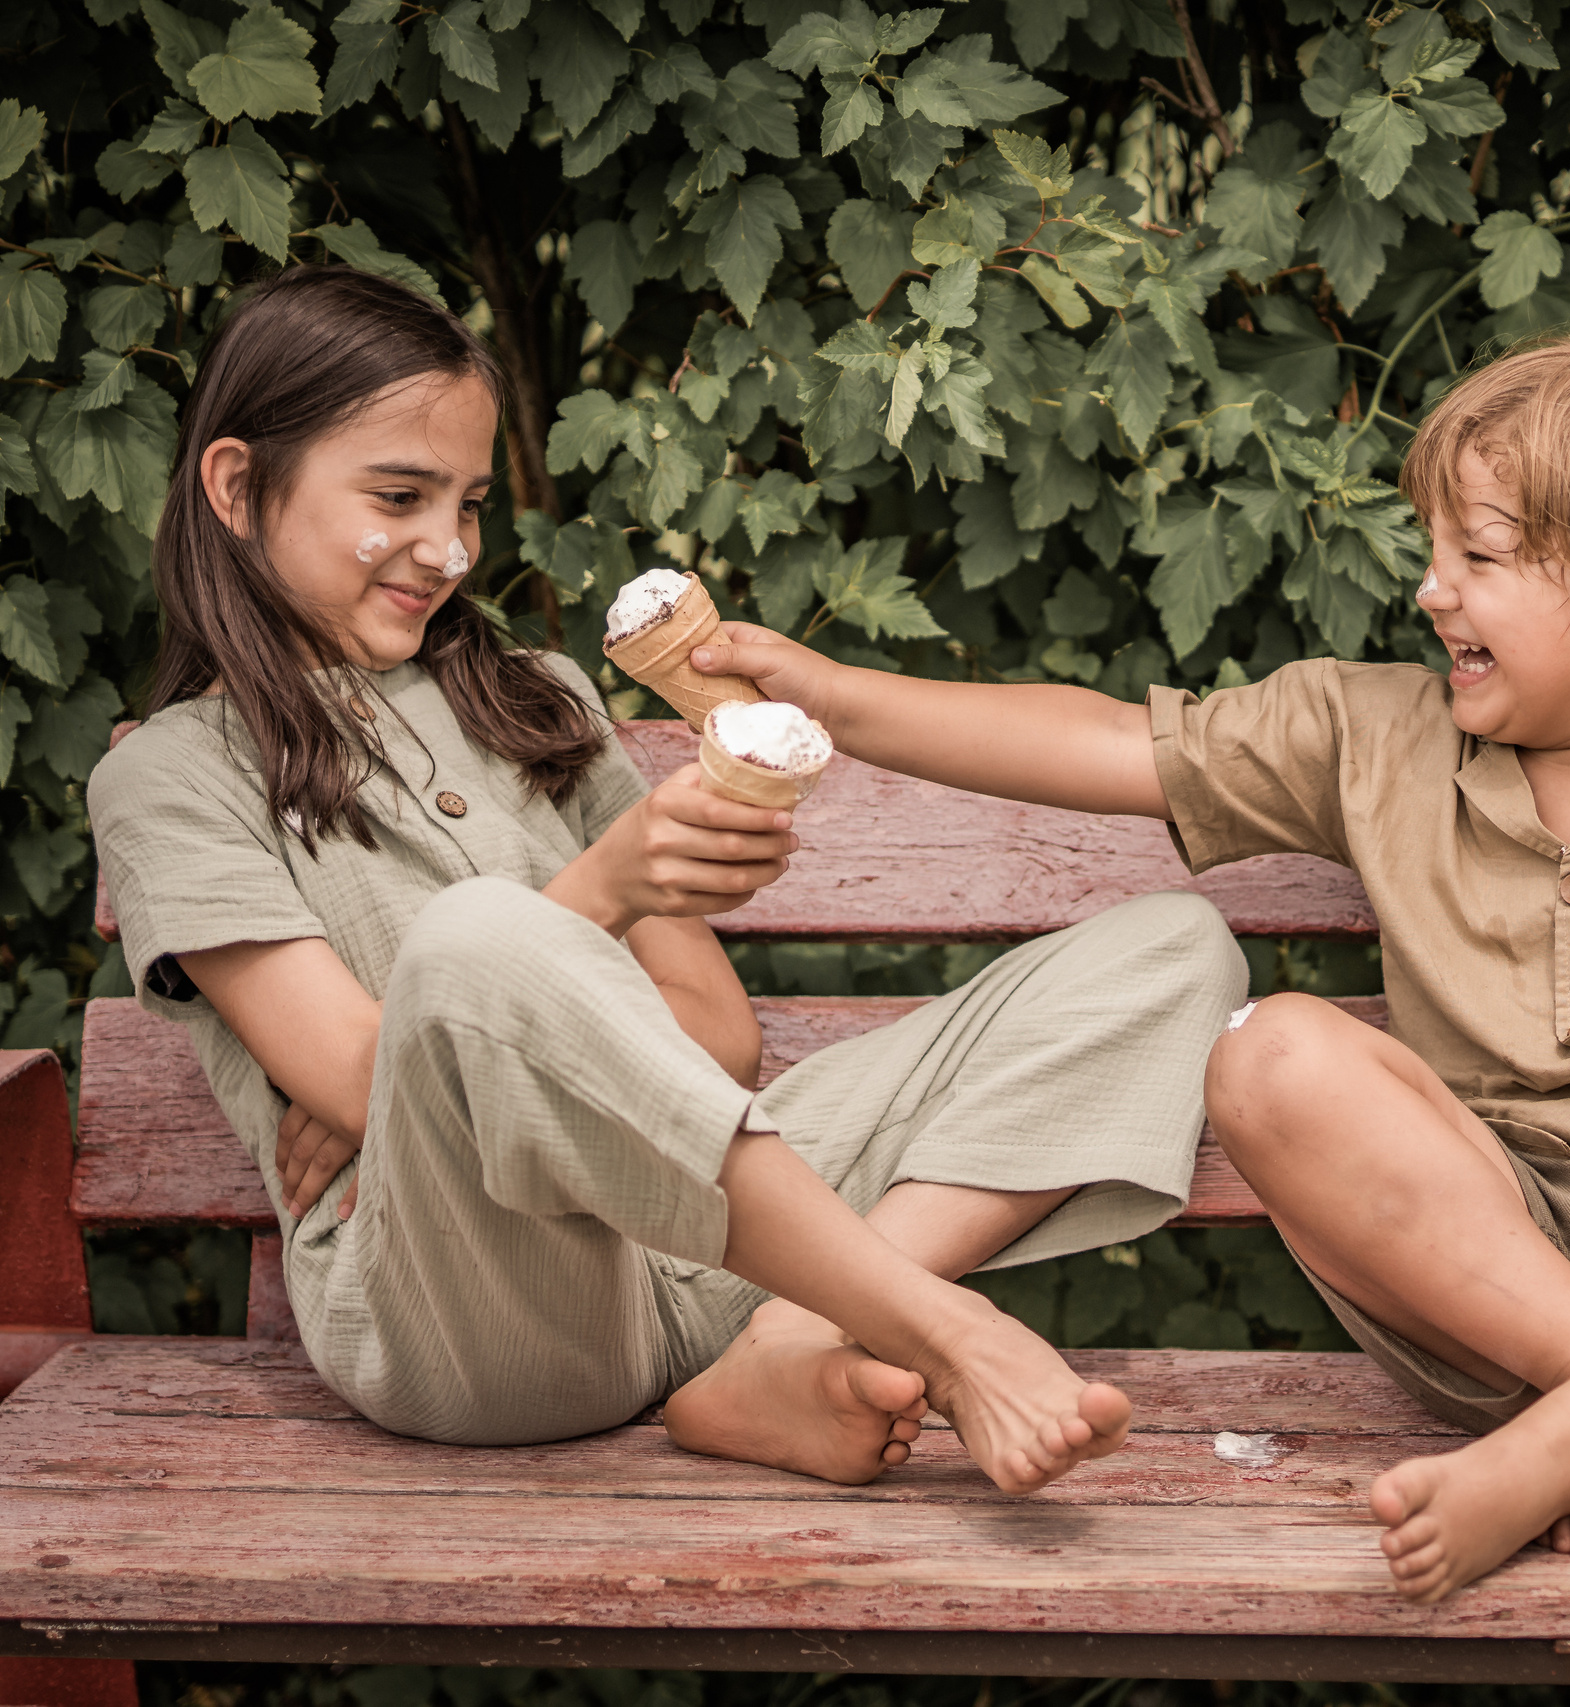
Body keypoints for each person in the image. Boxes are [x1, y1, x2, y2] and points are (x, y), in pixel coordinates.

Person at [686, 329, 1570, 1599]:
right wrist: (835, 696)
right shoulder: (1369, 734)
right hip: (1486, 1264)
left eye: (1480, 555)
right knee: (1271, 1051)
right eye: (1434, 546)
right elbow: (1105, 743)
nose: (1430, 585)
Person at [86, 265, 1249, 1491]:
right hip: (476, 1317)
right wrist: (577, 913)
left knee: (1176, 947)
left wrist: (456, 1036)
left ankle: (786, 1343)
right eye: (400, 494)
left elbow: (719, 1044)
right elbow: (361, 1082)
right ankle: (939, 1324)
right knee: (475, 941)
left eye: (471, 503)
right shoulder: (171, 779)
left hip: (705, 1260)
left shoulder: (536, 700)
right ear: (234, 485)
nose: (448, 548)